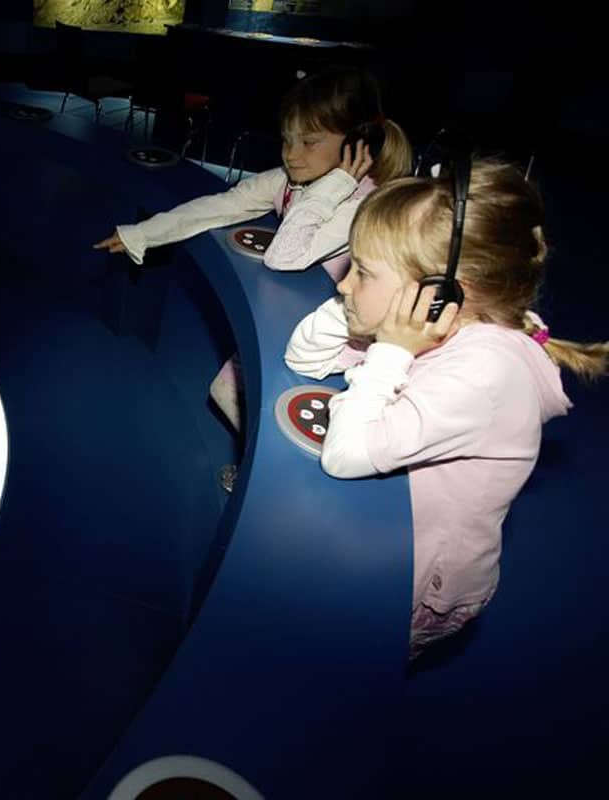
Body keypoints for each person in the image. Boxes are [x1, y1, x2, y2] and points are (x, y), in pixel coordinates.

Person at [284, 159, 606, 659]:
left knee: (342, 667)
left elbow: (344, 455)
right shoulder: (433, 324)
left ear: (439, 297)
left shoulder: (484, 374)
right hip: (387, 522)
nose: (343, 283)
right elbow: (302, 357)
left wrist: (389, 349)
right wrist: (358, 310)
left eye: (363, 272)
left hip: (416, 585)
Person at [95, 66, 411, 485]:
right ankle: (261, 468)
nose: (291, 154)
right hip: (304, 313)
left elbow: (284, 256)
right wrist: (142, 233)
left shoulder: (360, 201)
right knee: (225, 391)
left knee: (263, 407)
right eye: (287, 139)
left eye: (309, 142)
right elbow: (221, 206)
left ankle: (277, 480)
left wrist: (336, 184)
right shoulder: (292, 180)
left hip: (350, 337)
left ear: (358, 145)